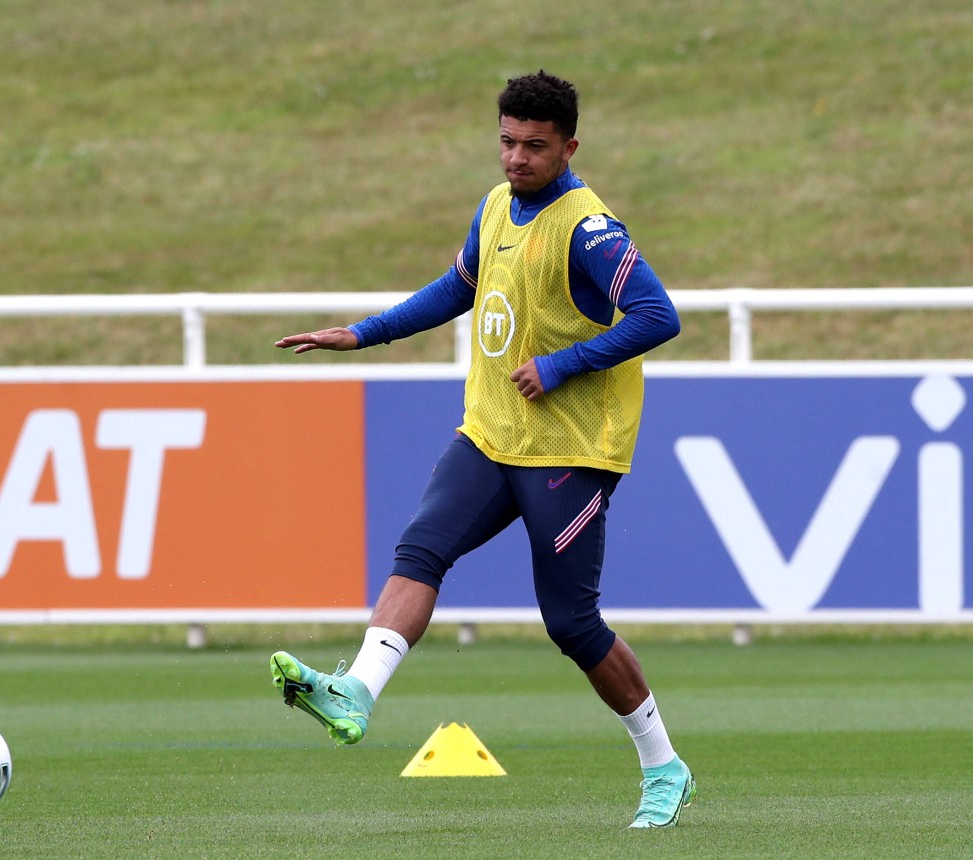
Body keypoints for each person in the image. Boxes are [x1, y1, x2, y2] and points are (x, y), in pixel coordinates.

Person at [270, 70, 692, 829]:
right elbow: (458, 285)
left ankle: (664, 765)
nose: (515, 158)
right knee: (421, 547)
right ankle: (356, 692)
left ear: (569, 147)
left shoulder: (591, 230)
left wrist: (564, 364)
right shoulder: (497, 206)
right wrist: (363, 332)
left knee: (571, 624)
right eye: (506, 141)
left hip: (571, 448)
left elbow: (659, 315)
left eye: (534, 145)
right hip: (492, 430)